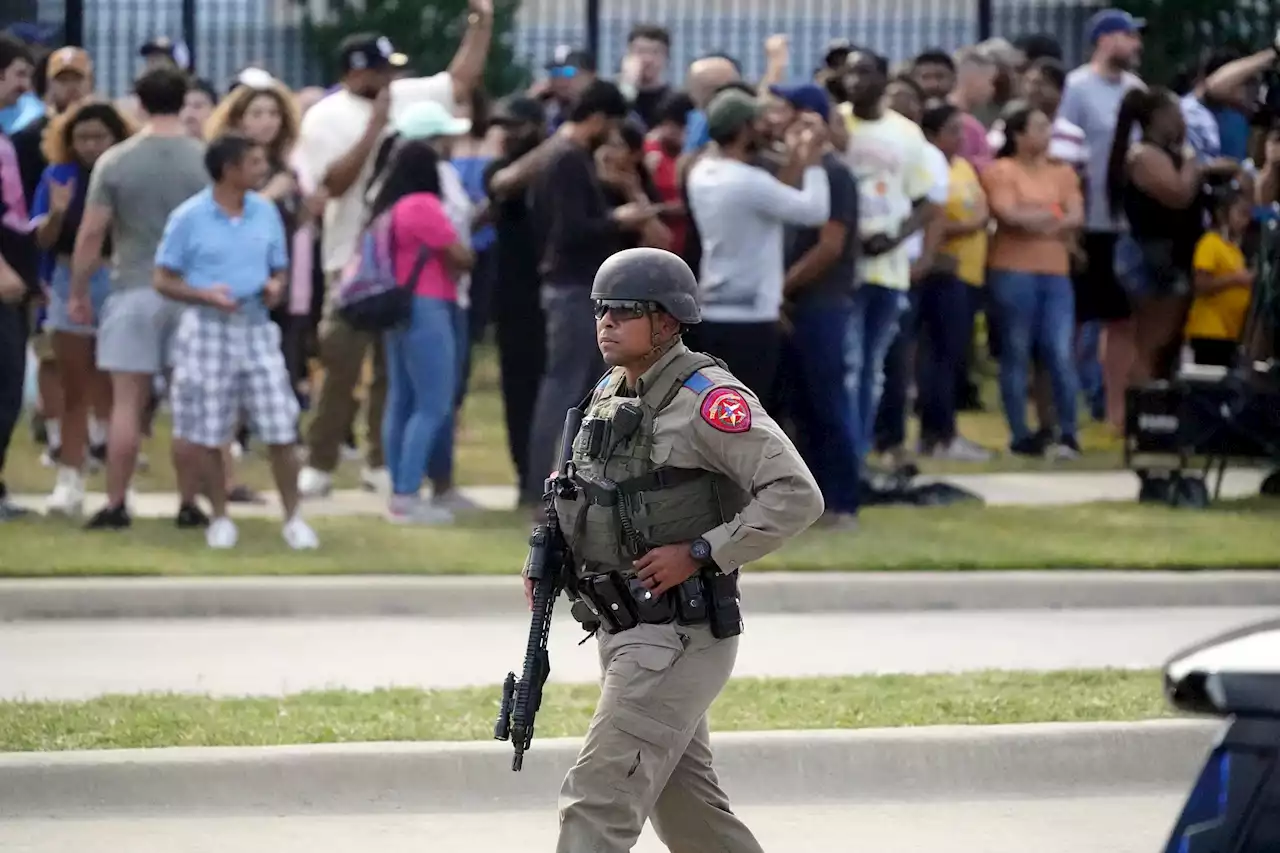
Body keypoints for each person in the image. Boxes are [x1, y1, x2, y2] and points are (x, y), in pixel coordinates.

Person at [542, 246, 823, 853]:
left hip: (676, 635)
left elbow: (796, 495)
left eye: (624, 310)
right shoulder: (613, 389)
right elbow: (595, 494)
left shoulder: (707, 399)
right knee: (691, 814)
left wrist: (702, 551)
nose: (606, 323)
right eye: (600, 310)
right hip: (625, 626)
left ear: (667, 322)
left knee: (598, 799)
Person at [293, 7, 493, 499]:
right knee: (340, 362)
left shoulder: (405, 96)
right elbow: (333, 184)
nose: (389, 77)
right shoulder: (325, 116)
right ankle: (319, 461)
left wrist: (479, 24)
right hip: (350, 260)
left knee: (392, 374)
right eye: (379, 69)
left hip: (403, 267)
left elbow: (460, 79)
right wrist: (376, 125)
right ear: (355, 71)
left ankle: (379, 462)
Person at [153, 132, 318, 550]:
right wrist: (203, 294)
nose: (263, 170)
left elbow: (277, 268)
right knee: (211, 429)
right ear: (230, 170)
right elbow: (163, 278)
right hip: (207, 328)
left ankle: (294, 517)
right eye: (255, 162)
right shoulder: (188, 217)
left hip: (257, 326)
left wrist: (275, 286)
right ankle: (220, 517)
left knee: (281, 427)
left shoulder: (265, 214)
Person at [69, 66, 211, 530]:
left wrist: (77, 291)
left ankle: (116, 502)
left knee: (125, 404)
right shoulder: (203, 159)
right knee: (188, 403)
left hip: (133, 285)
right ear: (182, 99)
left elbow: (92, 233)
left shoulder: (116, 161)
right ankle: (190, 502)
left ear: (140, 102)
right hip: (191, 293)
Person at [522, 78, 649, 508]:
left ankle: (566, 479)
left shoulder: (562, 158)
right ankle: (539, 484)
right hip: (572, 287)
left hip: (568, 285)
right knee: (563, 387)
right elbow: (572, 228)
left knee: (575, 385)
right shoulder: (568, 160)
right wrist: (618, 218)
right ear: (596, 119)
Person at [685, 86, 830, 402]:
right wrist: (815, 161)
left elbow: (769, 198)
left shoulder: (702, 173)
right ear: (741, 130)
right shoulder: (748, 182)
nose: (764, 128)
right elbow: (814, 210)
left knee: (713, 407)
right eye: (756, 122)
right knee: (745, 414)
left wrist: (795, 158)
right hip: (751, 318)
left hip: (713, 309)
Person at [33, 100, 134, 516]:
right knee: (75, 387)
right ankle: (70, 480)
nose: (90, 146)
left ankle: (117, 486)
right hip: (65, 278)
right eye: (82, 138)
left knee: (115, 390)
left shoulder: (126, 175)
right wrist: (56, 211)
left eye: (99, 137)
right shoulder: (58, 175)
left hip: (118, 277)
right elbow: (41, 238)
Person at [1058, 8, 1146, 432]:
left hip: (1124, 223)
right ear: (1106, 39)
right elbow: (1066, 157)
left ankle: (1116, 411)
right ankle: (1066, 408)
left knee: (1122, 319)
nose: (1137, 45)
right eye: (1130, 36)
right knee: (1074, 319)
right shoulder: (1077, 87)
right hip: (1087, 222)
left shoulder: (1136, 89)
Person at [981, 103, 1084, 457]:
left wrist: (1040, 216)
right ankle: (1021, 434)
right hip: (1012, 270)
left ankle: (1067, 431)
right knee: (1016, 351)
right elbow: (1009, 214)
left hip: (1056, 273)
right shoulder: (1001, 170)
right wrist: (1055, 214)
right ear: (1018, 135)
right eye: (1038, 126)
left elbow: (1075, 216)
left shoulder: (1063, 173)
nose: (1046, 133)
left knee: (1058, 352)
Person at [1184, 186, 1253, 366]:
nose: (1246, 221)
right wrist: (1237, 279)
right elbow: (1201, 284)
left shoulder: (1235, 250)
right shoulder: (1210, 243)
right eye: (1241, 214)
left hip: (1230, 333)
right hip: (1210, 331)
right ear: (1223, 214)